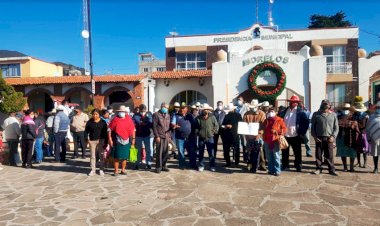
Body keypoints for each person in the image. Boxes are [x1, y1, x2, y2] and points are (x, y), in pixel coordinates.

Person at [280, 95, 309, 172]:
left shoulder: (301, 112)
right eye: (293, 102)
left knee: (297, 152)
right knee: (284, 152)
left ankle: (298, 165)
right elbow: (280, 120)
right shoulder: (284, 111)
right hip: (285, 135)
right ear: (290, 102)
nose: (295, 103)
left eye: (296, 102)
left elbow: (306, 123)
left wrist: (302, 132)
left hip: (296, 135)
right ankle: (285, 165)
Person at [311, 100, 339, 176]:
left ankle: (331, 169)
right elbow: (312, 127)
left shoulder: (333, 115)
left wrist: (333, 137)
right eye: (324, 105)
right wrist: (315, 137)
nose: (325, 107)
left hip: (329, 138)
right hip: (319, 138)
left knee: (329, 155)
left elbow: (336, 128)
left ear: (329, 106)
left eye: (327, 106)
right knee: (318, 155)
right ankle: (318, 168)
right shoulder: (316, 114)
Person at [108, 105, 135, 176]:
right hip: (117, 140)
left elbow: (133, 130)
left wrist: (133, 139)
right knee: (116, 157)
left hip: (127, 140)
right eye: (120, 112)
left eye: (123, 111)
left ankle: (123, 169)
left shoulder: (129, 120)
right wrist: (110, 139)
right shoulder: (115, 119)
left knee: (124, 157)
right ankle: (116, 170)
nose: (121, 113)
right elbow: (109, 129)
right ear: (118, 112)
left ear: (125, 112)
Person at [243, 99, 266, 172]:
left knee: (260, 150)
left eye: (254, 107)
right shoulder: (246, 114)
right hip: (249, 136)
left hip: (258, 135)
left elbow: (264, 124)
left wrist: (260, 132)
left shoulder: (262, 114)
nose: (253, 108)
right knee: (249, 150)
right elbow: (244, 124)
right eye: (252, 107)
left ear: (257, 106)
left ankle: (262, 165)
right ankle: (249, 164)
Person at [263, 107, 287, 176]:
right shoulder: (266, 120)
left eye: (272, 111)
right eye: (270, 111)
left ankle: (277, 170)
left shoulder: (279, 120)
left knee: (276, 156)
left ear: (275, 112)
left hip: (275, 140)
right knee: (269, 156)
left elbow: (284, 129)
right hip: (267, 140)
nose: (271, 112)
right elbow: (263, 128)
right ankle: (271, 170)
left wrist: (277, 131)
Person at [196, 103, 219, 172]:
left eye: (206, 109)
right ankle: (201, 165)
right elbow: (196, 127)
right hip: (201, 138)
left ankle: (212, 166)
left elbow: (216, 126)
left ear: (208, 110)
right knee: (201, 153)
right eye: (204, 109)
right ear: (202, 110)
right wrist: (198, 133)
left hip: (210, 138)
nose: (205, 110)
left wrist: (213, 132)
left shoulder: (212, 117)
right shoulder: (198, 118)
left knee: (211, 153)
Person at [85, 109, 108, 176]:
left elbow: (105, 133)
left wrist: (106, 142)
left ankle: (101, 169)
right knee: (92, 156)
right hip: (92, 141)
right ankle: (93, 169)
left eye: (96, 114)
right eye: (93, 114)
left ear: (99, 115)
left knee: (101, 155)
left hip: (101, 140)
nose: (95, 115)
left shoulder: (103, 122)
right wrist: (87, 139)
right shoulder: (89, 122)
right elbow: (86, 131)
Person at [132, 104, 154, 170]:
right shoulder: (135, 116)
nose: (143, 112)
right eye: (142, 111)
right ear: (139, 110)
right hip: (139, 135)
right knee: (138, 150)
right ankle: (137, 163)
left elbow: (151, 124)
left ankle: (148, 163)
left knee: (148, 150)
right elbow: (133, 124)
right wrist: (139, 124)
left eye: (144, 111)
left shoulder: (149, 115)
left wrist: (146, 124)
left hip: (147, 135)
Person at [351, 96, 370, 168]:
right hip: (356, 133)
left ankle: (365, 163)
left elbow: (367, 124)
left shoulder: (366, 115)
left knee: (364, 148)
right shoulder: (354, 115)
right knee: (357, 149)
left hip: (364, 133)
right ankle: (359, 162)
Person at [336, 103, 356, 172]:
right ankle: (345, 167)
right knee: (342, 152)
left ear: (350, 109)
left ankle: (351, 167)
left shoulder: (353, 116)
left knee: (352, 152)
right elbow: (337, 124)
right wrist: (349, 124)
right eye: (344, 109)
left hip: (351, 136)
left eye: (347, 109)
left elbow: (355, 124)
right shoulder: (338, 116)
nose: (345, 110)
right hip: (341, 136)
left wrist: (348, 124)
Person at [153, 102, 171, 173]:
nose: (166, 109)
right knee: (159, 153)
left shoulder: (168, 115)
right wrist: (156, 136)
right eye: (165, 107)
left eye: (167, 108)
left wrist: (169, 136)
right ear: (162, 107)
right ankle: (158, 167)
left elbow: (169, 126)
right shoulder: (156, 115)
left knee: (166, 152)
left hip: (166, 136)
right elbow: (154, 126)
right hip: (159, 136)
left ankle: (164, 165)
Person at [221, 103, 242, 168]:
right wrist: (225, 126)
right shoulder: (226, 115)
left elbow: (241, 125)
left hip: (235, 134)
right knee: (227, 149)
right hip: (227, 134)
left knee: (236, 150)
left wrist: (231, 126)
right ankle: (229, 162)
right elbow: (223, 124)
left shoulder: (238, 115)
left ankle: (236, 162)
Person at [366, 101, 380, 174]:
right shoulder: (371, 116)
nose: (378, 109)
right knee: (375, 154)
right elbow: (368, 128)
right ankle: (375, 168)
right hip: (374, 138)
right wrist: (368, 138)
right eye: (377, 107)